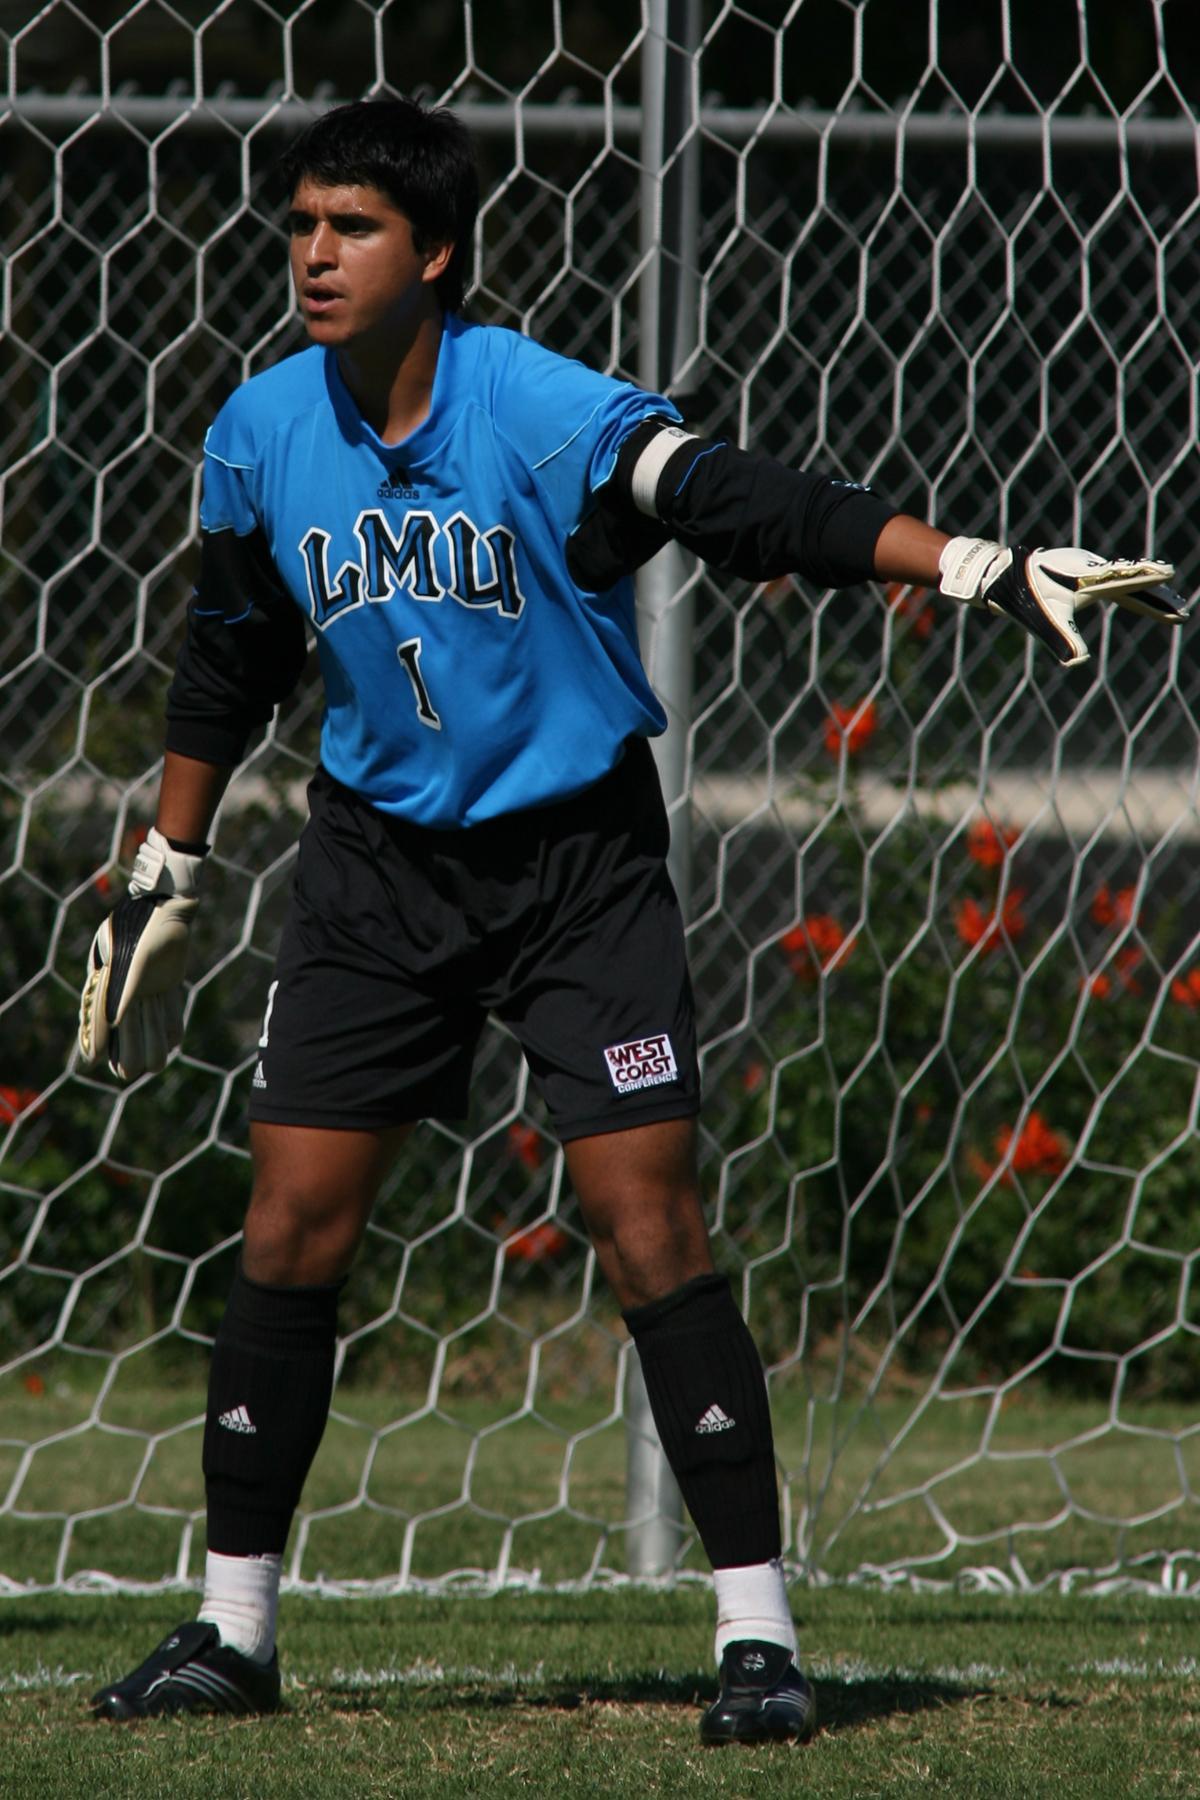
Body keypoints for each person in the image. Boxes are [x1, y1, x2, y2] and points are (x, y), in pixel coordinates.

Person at [77, 96, 1184, 1743]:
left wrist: (968, 564)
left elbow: (735, 500)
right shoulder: (260, 430)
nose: (314, 252)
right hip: (377, 865)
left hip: (573, 863)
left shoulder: (540, 407)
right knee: (290, 1226)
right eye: (301, 223)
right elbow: (230, 651)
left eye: (353, 226)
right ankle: (232, 1634)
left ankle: (759, 1642)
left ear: (435, 255)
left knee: (646, 1219)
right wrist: (169, 856)